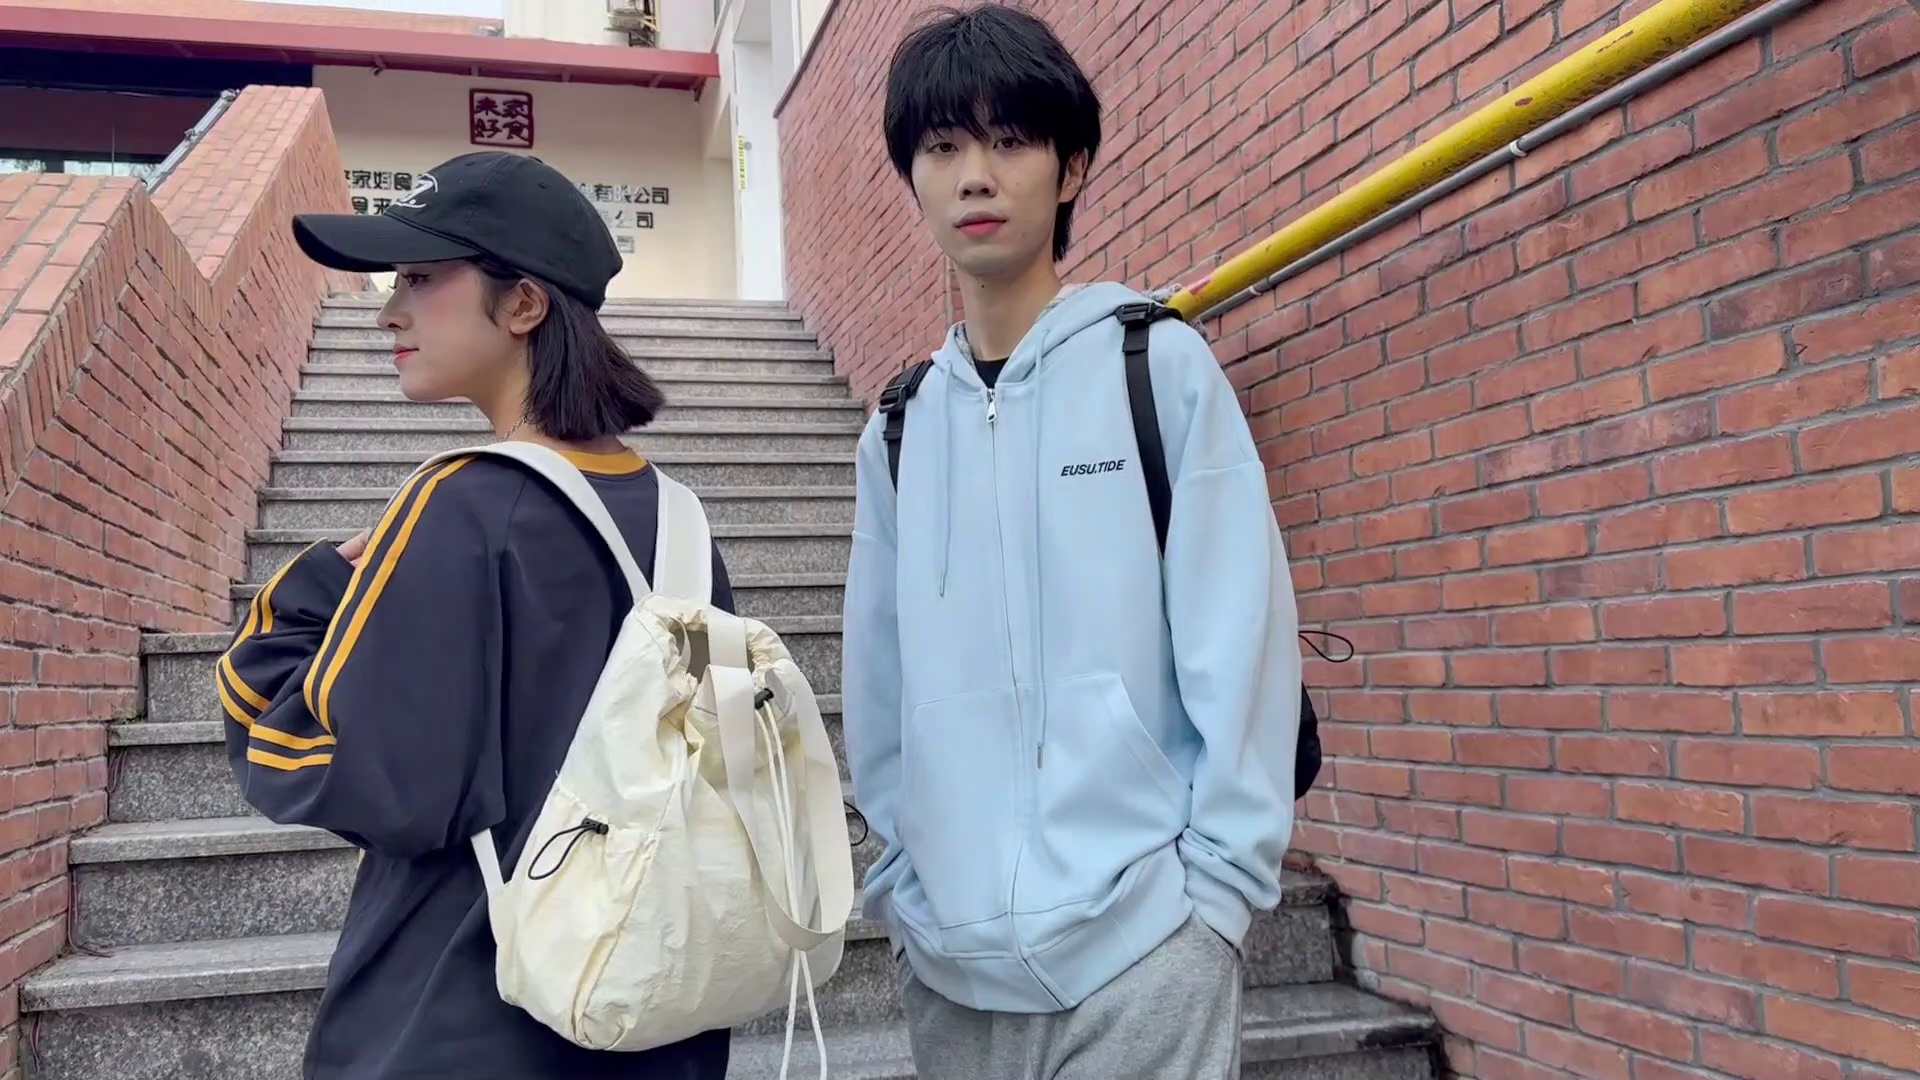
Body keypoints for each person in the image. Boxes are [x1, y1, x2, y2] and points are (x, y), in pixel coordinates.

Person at [840, 5, 1304, 1078]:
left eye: (1010, 141)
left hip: (1147, 955)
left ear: (1073, 168)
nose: (975, 177)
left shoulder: (1157, 368)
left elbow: (1240, 641)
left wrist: (1216, 902)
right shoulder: (899, 429)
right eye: (942, 147)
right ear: (912, 176)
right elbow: (878, 684)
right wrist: (904, 891)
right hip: (950, 972)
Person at [218, 150, 733, 1080]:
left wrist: (309, 591)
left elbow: (328, 763)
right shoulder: (680, 521)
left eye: (419, 279)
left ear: (524, 304)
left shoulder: (459, 504)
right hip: (653, 1010)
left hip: (461, 1013)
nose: (388, 312)